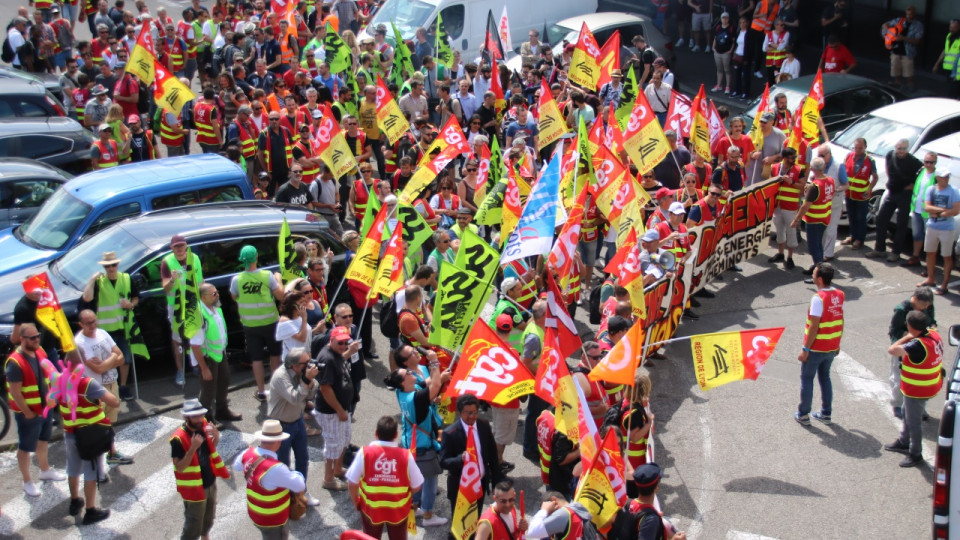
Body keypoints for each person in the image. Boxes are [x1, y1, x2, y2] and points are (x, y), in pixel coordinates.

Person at [384, 348, 448, 527]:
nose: (412, 373)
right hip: (422, 444)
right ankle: (428, 514)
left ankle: (415, 506)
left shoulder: (402, 393)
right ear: (404, 382)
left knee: (415, 476)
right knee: (429, 480)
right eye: (408, 374)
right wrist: (434, 362)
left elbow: (427, 388)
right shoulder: (416, 397)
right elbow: (433, 387)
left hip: (409, 441)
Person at [5, 323, 66, 498]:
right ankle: (27, 482)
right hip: (29, 414)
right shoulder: (15, 363)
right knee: (25, 448)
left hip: (44, 409)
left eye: (37, 336)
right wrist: (27, 412)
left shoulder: (40, 351)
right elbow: (15, 393)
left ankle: (45, 470)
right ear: (22, 339)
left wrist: (53, 398)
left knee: (43, 441)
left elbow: (49, 376)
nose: (37, 339)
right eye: (32, 338)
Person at [60, 352, 118, 525]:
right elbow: (114, 402)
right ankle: (91, 510)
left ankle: (75, 501)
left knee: (72, 468)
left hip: (70, 432)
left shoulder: (59, 382)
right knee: (90, 472)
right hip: (89, 435)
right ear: (81, 364)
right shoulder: (87, 384)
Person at [346, 415, 423, 540]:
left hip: (371, 510)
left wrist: (356, 502)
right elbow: (417, 486)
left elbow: (352, 483)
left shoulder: (364, 453)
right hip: (398, 510)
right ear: (396, 435)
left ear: (376, 433)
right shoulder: (406, 455)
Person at [73, 310, 133, 465]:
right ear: (81, 324)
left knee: (109, 420)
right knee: (98, 423)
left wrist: (110, 359)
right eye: (88, 323)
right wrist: (113, 357)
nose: (93, 325)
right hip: (96, 387)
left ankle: (111, 452)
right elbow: (98, 369)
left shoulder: (103, 333)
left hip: (112, 382)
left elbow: (121, 357)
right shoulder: (80, 343)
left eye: (94, 321)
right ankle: (99, 458)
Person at [885, 310, 943, 467]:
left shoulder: (917, 345)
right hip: (929, 384)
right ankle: (904, 441)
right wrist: (915, 333)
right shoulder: (932, 333)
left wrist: (909, 335)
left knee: (914, 422)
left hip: (918, 389)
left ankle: (916, 453)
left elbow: (893, 350)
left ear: (911, 327)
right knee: (906, 412)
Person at [80, 251, 139, 402]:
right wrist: (92, 279)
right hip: (104, 331)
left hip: (122, 327)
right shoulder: (99, 282)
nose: (111, 268)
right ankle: (107, 388)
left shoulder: (126, 278)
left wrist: (130, 305)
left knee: (125, 359)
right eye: (107, 266)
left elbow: (136, 297)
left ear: (117, 264)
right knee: (104, 362)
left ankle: (123, 386)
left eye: (113, 265)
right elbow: (87, 298)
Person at [234, 419, 306, 540]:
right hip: (272, 519)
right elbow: (300, 485)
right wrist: (295, 473)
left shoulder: (247, 453)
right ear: (278, 441)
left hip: (255, 512)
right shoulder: (276, 469)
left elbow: (237, 465)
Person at [267, 347, 321, 506]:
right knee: (282, 463)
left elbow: (310, 395)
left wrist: (309, 381)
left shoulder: (300, 373)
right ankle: (285, 497)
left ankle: (301, 491)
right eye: (306, 363)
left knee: (303, 459)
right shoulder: (281, 377)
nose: (310, 365)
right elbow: (295, 398)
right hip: (280, 426)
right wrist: (306, 381)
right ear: (295, 366)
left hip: (297, 422)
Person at [170, 398, 230, 539]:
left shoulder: (202, 425)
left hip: (209, 482)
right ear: (186, 417)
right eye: (195, 416)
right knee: (193, 526)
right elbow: (179, 467)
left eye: (200, 415)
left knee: (208, 520)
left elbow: (209, 450)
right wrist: (192, 449)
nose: (199, 419)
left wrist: (216, 437)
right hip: (194, 488)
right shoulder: (178, 439)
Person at [230, 244, 284, 402]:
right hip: (270, 322)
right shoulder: (267, 276)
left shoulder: (237, 279)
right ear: (257, 257)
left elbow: (234, 297)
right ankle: (275, 389)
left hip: (250, 325)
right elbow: (280, 295)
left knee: (256, 359)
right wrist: (278, 279)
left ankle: (261, 391)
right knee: (275, 355)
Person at [795, 263, 844, 426]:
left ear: (820, 279)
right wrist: (838, 343)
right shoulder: (839, 295)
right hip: (831, 346)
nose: (812, 276)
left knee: (807, 379)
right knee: (825, 378)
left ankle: (803, 414)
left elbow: (814, 326)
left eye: (814, 274)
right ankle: (826, 413)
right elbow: (840, 320)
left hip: (816, 347)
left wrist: (805, 349)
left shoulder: (818, 298)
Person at [439, 394, 501, 521]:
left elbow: (493, 456)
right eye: (468, 413)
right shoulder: (450, 433)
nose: (472, 416)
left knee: (475, 520)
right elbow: (443, 461)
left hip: (480, 485)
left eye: (474, 412)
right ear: (459, 412)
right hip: (460, 489)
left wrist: (496, 483)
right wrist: (459, 459)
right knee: (460, 524)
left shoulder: (483, 425)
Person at [189, 283, 242, 425]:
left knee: (224, 380)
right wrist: (204, 368)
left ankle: (222, 410)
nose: (217, 295)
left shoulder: (216, 308)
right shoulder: (199, 315)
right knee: (208, 389)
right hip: (207, 357)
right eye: (214, 293)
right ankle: (205, 419)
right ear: (203, 297)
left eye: (217, 292)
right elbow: (195, 344)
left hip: (219, 353)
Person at [316, 326, 361, 491]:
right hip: (331, 412)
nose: (344, 346)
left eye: (346, 342)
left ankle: (337, 469)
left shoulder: (336, 354)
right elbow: (325, 388)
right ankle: (328, 479)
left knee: (345, 440)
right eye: (340, 343)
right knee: (333, 444)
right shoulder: (326, 358)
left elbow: (340, 359)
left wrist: (348, 352)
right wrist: (339, 410)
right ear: (331, 340)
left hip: (343, 408)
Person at [867, 139, 923, 263]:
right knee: (881, 219)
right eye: (899, 148)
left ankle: (896, 252)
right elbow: (889, 168)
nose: (901, 151)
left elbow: (922, 172)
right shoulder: (890, 155)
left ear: (907, 149)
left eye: (903, 149)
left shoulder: (913, 162)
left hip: (904, 194)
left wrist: (913, 185)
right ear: (895, 147)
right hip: (891, 192)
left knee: (901, 224)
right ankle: (879, 249)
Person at [887, 287, 936, 420]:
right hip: (903, 346)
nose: (925, 308)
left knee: (918, 380)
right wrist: (910, 335)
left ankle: (918, 407)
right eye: (923, 305)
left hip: (921, 348)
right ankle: (897, 404)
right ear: (915, 299)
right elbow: (894, 332)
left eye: (927, 305)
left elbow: (932, 322)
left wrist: (931, 330)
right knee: (898, 378)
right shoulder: (902, 310)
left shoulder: (928, 307)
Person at [161, 234, 203, 387]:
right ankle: (180, 370)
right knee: (177, 339)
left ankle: (197, 364)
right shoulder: (167, 262)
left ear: (186, 245)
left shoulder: (195, 258)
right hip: (177, 307)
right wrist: (172, 280)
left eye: (181, 245)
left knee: (196, 335)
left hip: (194, 304)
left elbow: (201, 281)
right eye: (176, 247)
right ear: (172, 248)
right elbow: (166, 288)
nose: (179, 249)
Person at [918, 167, 960, 295]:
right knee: (930, 253)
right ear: (937, 177)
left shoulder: (954, 191)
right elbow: (926, 206)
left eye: (947, 176)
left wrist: (938, 213)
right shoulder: (931, 189)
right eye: (943, 177)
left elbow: (956, 210)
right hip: (932, 226)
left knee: (946, 256)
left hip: (947, 228)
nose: (946, 179)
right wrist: (943, 211)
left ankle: (944, 284)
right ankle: (930, 278)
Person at [791, 157, 835, 278]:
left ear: (811, 169)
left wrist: (796, 220)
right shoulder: (830, 180)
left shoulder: (814, 187)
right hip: (825, 218)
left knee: (814, 248)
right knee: (819, 245)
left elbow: (805, 206)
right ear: (823, 167)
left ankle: (819, 274)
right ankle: (817, 266)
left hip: (814, 221)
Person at [841, 138, 879, 250]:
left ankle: (859, 239)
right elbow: (843, 172)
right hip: (850, 193)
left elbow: (875, 177)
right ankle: (852, 236)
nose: (857, 150)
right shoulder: (848, 156)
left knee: (861, 218)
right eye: (856, 147)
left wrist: (869, 189)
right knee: (851, 216)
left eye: (860, 148)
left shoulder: (870, 160)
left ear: (865, 147)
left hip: (862, 195)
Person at [903, 152, 939, 267]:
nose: (928, 164)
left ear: (935, 163)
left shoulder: (937, 176)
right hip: (916, 210)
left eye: (931, 162)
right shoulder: (921, 172)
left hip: (929, 213)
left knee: (931, 239)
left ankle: (930, 265)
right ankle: (915, 257)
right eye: (926, 162)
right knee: (917, 235)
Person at [768, 147, 802, 269]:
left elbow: (802, 187)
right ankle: (780, 253)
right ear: (785, 158)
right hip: (777, 206)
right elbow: (770, 183)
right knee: (779, 231)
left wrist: (791, 182)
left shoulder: (799, 170)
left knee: (791, 232)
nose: (794, 159)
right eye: (792, 157)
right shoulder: (775, 167)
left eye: (795, 157)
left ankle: (790, 257)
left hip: (790, 206)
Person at [882, 6, 924, 91]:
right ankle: (898, 88)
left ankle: (911, 90)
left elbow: (917, 41)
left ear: (914, 14)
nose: (908, 16)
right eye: (907, 14)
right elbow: (884, 25)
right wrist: (889, 33)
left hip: (907, 53)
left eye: (910, 14)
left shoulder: (918, 25)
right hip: (895, 51)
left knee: (909, 75)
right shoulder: (900, 20)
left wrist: (903, 38)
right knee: (896, 73)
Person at [526, 490, 595, 540]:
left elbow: (532, 532)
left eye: (549, 513)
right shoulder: (577, 511)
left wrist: (544, 510)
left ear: (554, 501)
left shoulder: (563, 514)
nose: (548, 517)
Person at [933, 18, 960, 99]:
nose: (951, 29)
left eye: (953, 28)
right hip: (948, 68)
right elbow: (945, 50)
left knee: (953, 93)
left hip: (956, 71)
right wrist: (937, 64)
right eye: (950, 27)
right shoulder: (949, 36)